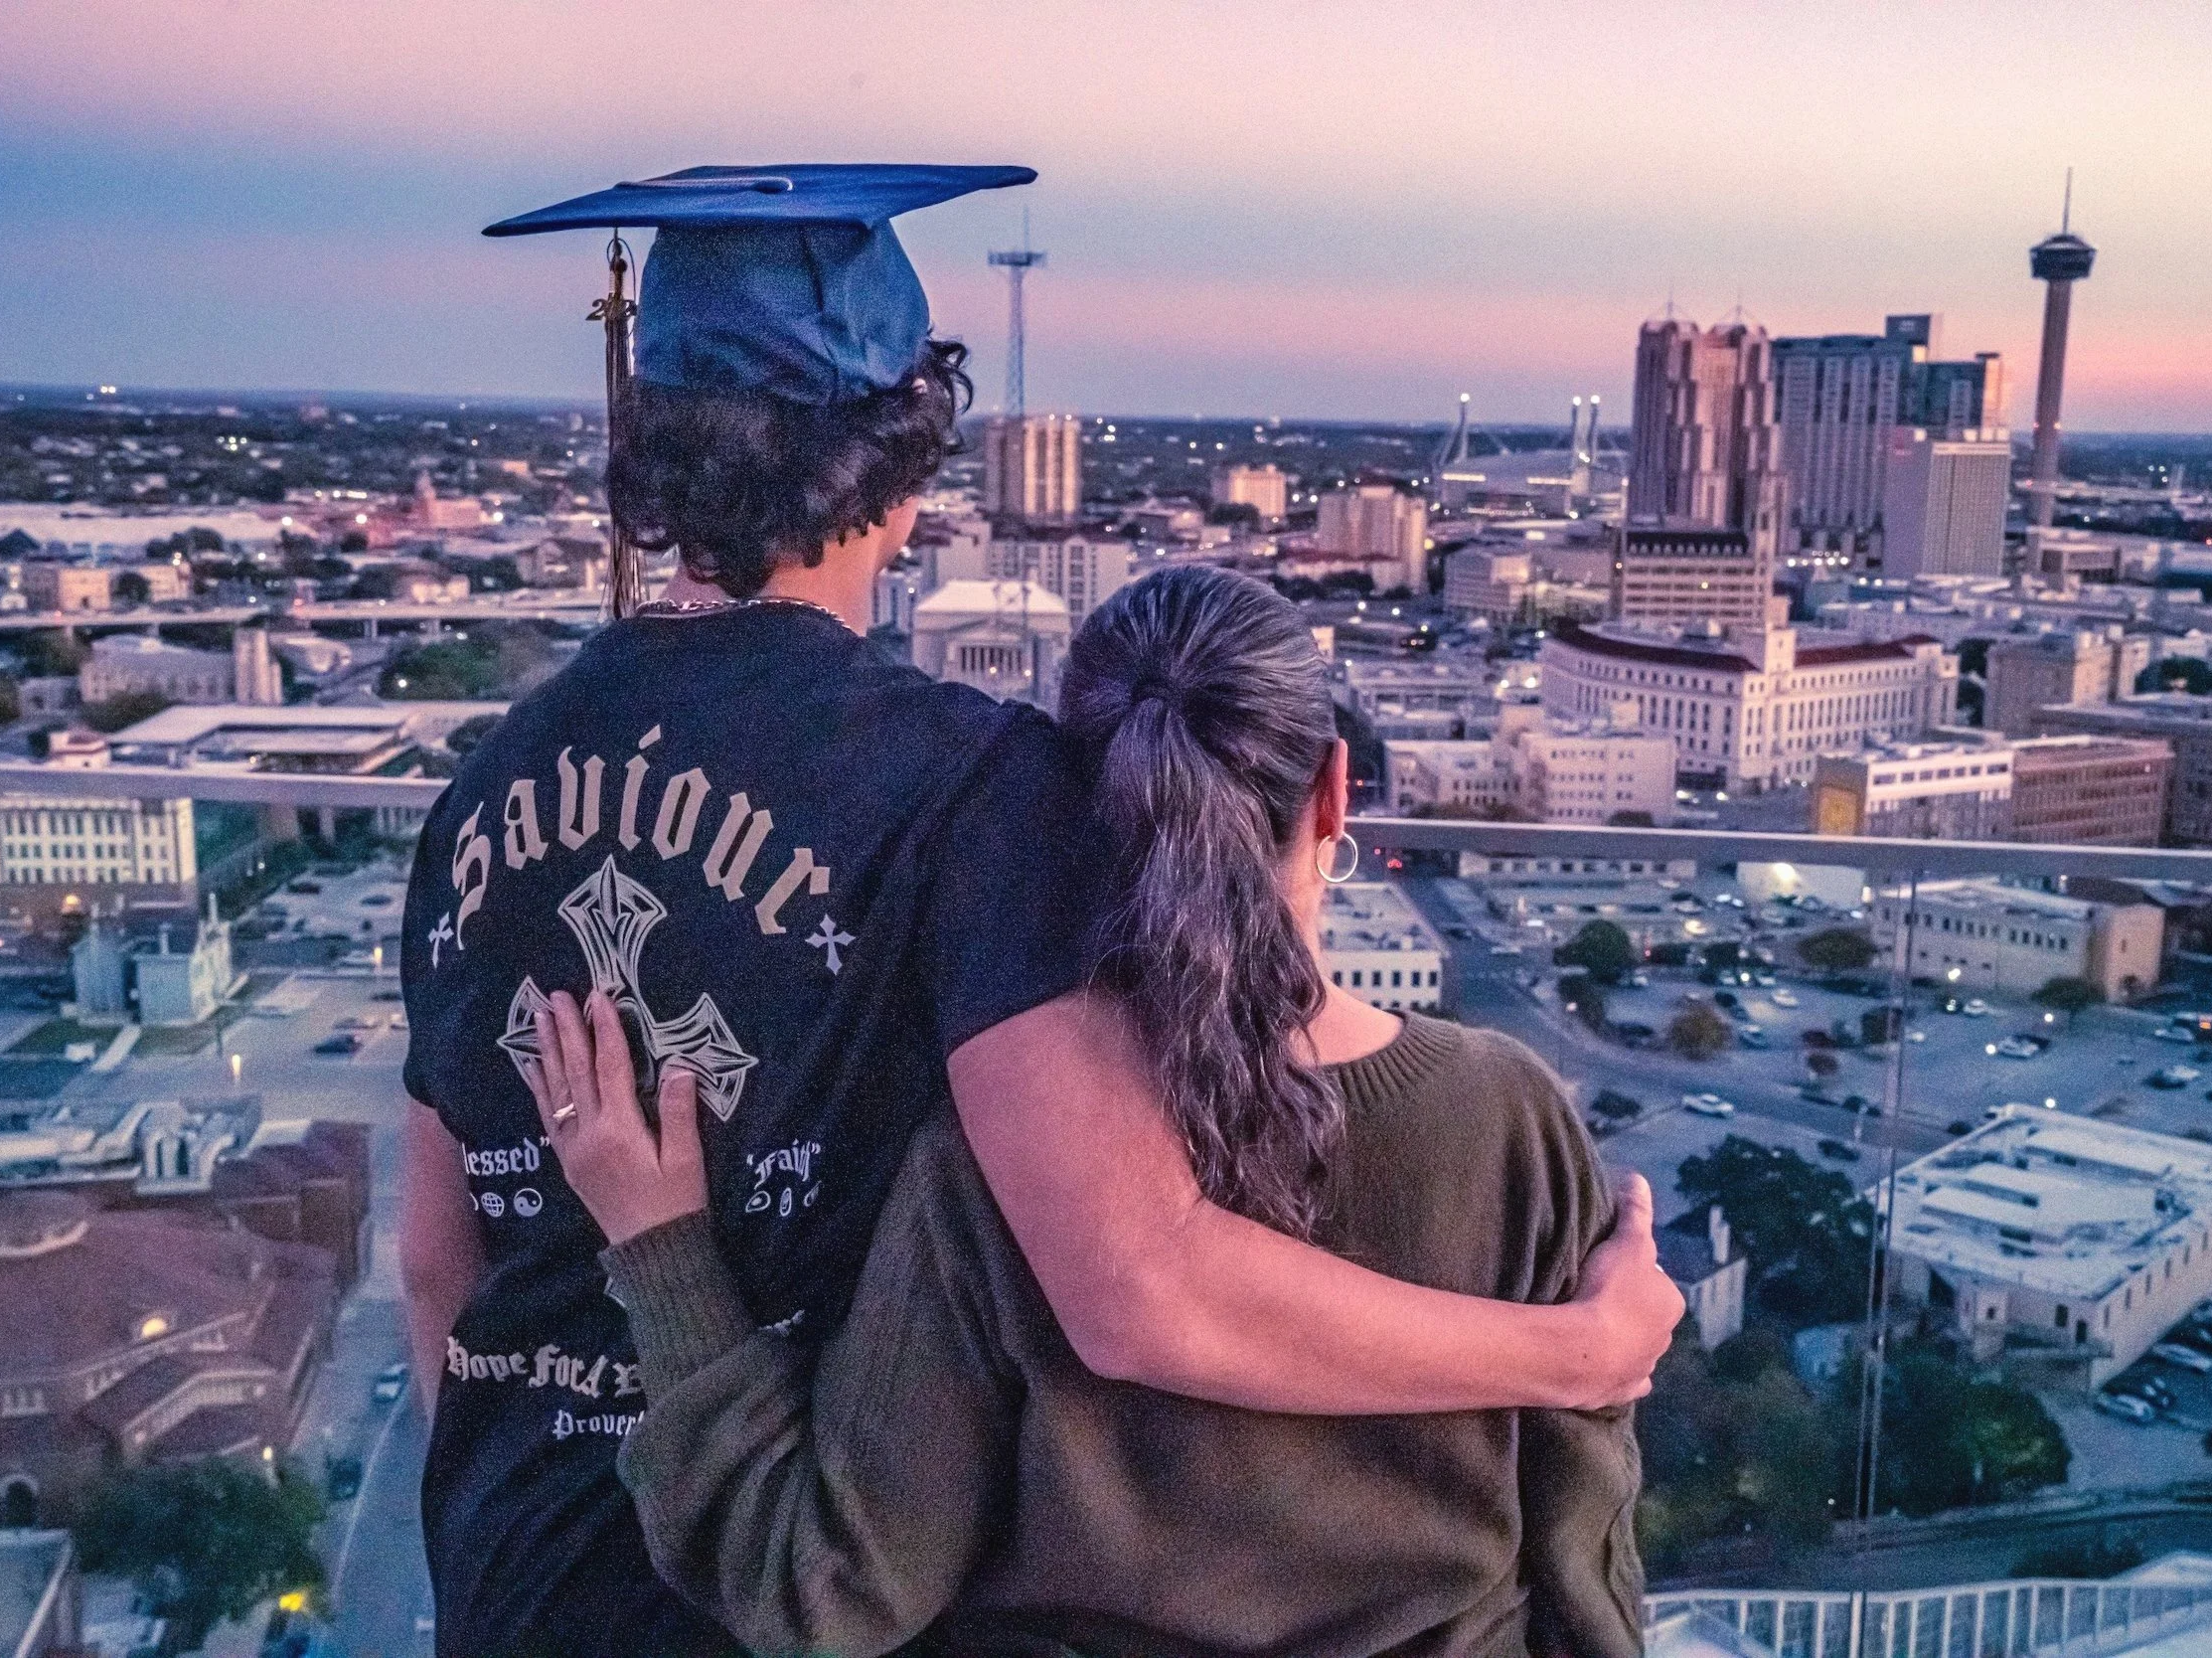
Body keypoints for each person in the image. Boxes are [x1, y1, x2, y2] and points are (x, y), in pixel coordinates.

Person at [402, 165, 1681, 1658]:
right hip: (756, 1589)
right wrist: (1574, 1350)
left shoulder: (476, 795)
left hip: (512, 1574)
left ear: (648, 446)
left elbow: (441, 1262)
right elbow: (1136, 1285)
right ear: (901, 467)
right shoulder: (972, 788)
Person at [527, 566, 1676, 1657]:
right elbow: (1585, 1562)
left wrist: (660, 1246)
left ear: (1073, 811)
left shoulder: (1002, 1162)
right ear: (1334, 792)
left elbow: (824, 1588)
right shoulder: (1508, 1119)